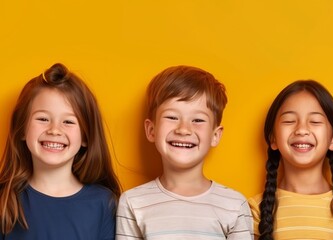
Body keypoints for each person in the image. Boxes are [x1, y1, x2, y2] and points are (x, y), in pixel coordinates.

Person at [115, 65, 252, 239]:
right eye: (172, 117)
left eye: (198, 120)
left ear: (215, 135)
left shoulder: (234, 204)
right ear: (151, 130)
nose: (184, 129)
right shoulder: (132, 202)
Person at [0, 63, 121, 239]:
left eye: (68, 122)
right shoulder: (4, 200)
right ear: (22, 129)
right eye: (43, 118)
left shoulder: (104, 203)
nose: (54, 130)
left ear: (86, 136)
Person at [249, 80, 333, 240]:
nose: (301, 130)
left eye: (315, 122)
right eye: (289, 121)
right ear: (273, 138)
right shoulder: (255, 209)